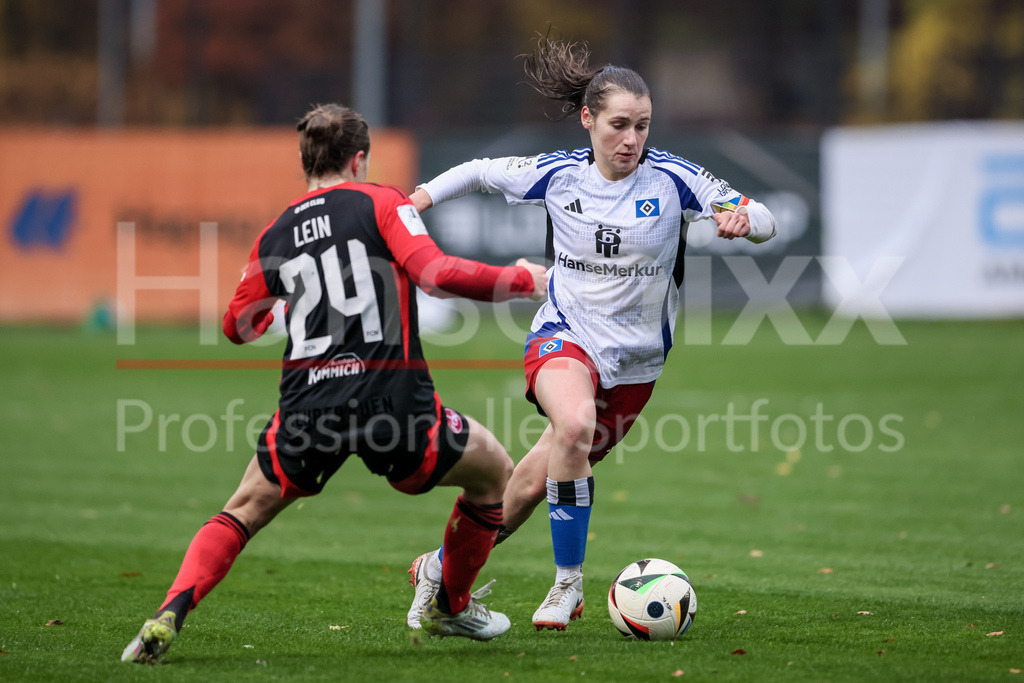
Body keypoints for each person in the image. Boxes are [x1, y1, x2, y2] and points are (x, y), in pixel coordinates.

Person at [121, 103, 548, 664]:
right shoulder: (382, 201)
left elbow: (236, 326)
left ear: (306, 162)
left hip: (309, 404)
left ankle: (168, 614)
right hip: (389, 400)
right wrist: (521, 278)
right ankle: (450, 605)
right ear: (359, 158)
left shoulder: (277, 231)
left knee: (243, 509)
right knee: (493, 472)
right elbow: (434, 273)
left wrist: (274, 313)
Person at [405, 36, 777, 632]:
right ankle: (568, 584)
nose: (631, 139)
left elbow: (765, 217)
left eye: (642, 126)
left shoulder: (674, 180)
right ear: (588, 120)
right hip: (564, 333)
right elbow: (477, 172)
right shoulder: (558, 175)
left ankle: (441, 569)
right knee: (575, 426)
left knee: (529, 484)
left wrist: (743, 220)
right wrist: (413, 204)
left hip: (637, 363)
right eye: (619, 125)